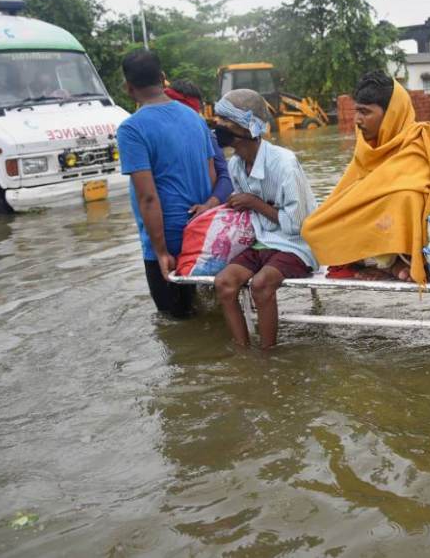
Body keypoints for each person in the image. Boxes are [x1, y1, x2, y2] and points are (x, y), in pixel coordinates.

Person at [301, 71, 430, 284]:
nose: (357, 120)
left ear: (391, 113)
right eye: (356, 111)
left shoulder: (420, 142)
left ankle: (397, 261)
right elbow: (350, 195)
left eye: (365, 112)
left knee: (406, 197)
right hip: (381, 236)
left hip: (426, 241)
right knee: (312, 228)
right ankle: (384, 262)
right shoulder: (367, 147)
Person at [211, 89, 319, 349]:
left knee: (260, 285)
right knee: (223, 284)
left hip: (296, 245)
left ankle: (267, 355)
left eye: (226, 121)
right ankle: (243, 351)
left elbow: (297, 225)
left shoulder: (284, 163)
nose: (219, 127)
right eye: (219, 120)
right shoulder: (235, 165)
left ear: (248, 128)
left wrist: (254, 203)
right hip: (261, 242)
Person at [116, 49, 217, 318]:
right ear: (163, 78)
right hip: (200, 232)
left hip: (167, 238)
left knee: (173, 324)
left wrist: (160, 251)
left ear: (128, 87)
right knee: (201, 314)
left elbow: (147, 197)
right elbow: (211, 176)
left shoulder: (131, 129)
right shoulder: (194, 118)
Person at [163, 78, 234, 216]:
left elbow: (226, 175)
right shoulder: (157, 133)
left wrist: (210, 204)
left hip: (200, 213)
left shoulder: (206, 135)